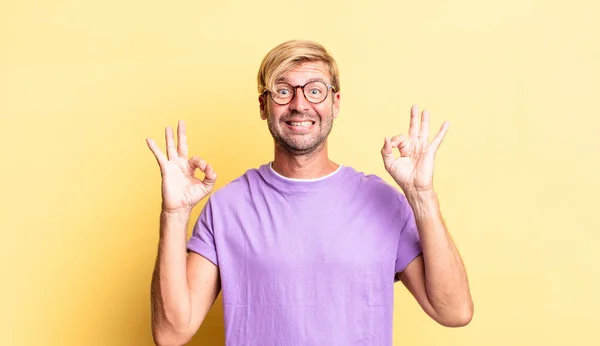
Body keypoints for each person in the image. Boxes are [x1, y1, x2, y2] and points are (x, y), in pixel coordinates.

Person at [147, 40, 473, 346]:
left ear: (335, 102)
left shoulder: (384, 202)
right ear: (264, 106)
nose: (300, 105)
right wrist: (174, 215)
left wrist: (421, 196)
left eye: (315, 90)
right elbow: (171, 333)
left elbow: (454, 311)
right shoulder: (226, 208)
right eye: (284, 91)